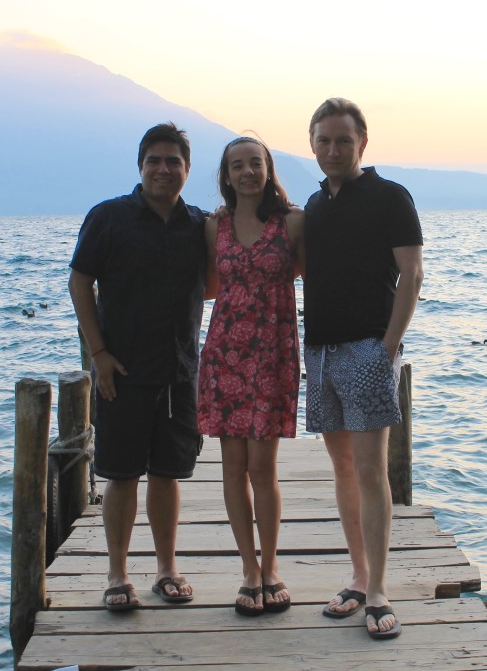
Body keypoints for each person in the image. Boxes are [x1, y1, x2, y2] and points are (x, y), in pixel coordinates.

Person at [68, 123, 206, 611]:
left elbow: (219, 277)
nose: (163, 169)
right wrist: (99, 354)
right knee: (121, 475)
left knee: (168, 475)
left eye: (174, 161)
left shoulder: (200, 225)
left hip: (179, 370)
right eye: (154, 160)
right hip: (121, 371)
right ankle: (117, 575)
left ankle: (167, 569)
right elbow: (80, 283)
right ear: (140, 166)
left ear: (187, 170)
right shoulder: (108, 218)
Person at [302, 98, 424, 639]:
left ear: (362, 143)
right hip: (322, 350)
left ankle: (378, 589)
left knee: (372, 471)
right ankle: (357, 576)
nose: (333, 149)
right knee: (343, 468)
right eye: (324, 140)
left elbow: (412, 274)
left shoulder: (390, 197)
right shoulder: (314, 204)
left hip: (368, 349)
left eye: (343, 141)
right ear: (312, 144)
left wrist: (389, 348)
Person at [197, 137, 304, 616]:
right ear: (226, 175)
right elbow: (208, 287)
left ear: (268, 168)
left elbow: (312, 273)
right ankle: (248, 570)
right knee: (232, 466)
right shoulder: (213, 226)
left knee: (264, 468)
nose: (246, 172)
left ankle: (272, 567)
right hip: (225, 353)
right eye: (237, 165)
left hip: (273, 352)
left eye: (254, 163)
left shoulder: (293, 223)